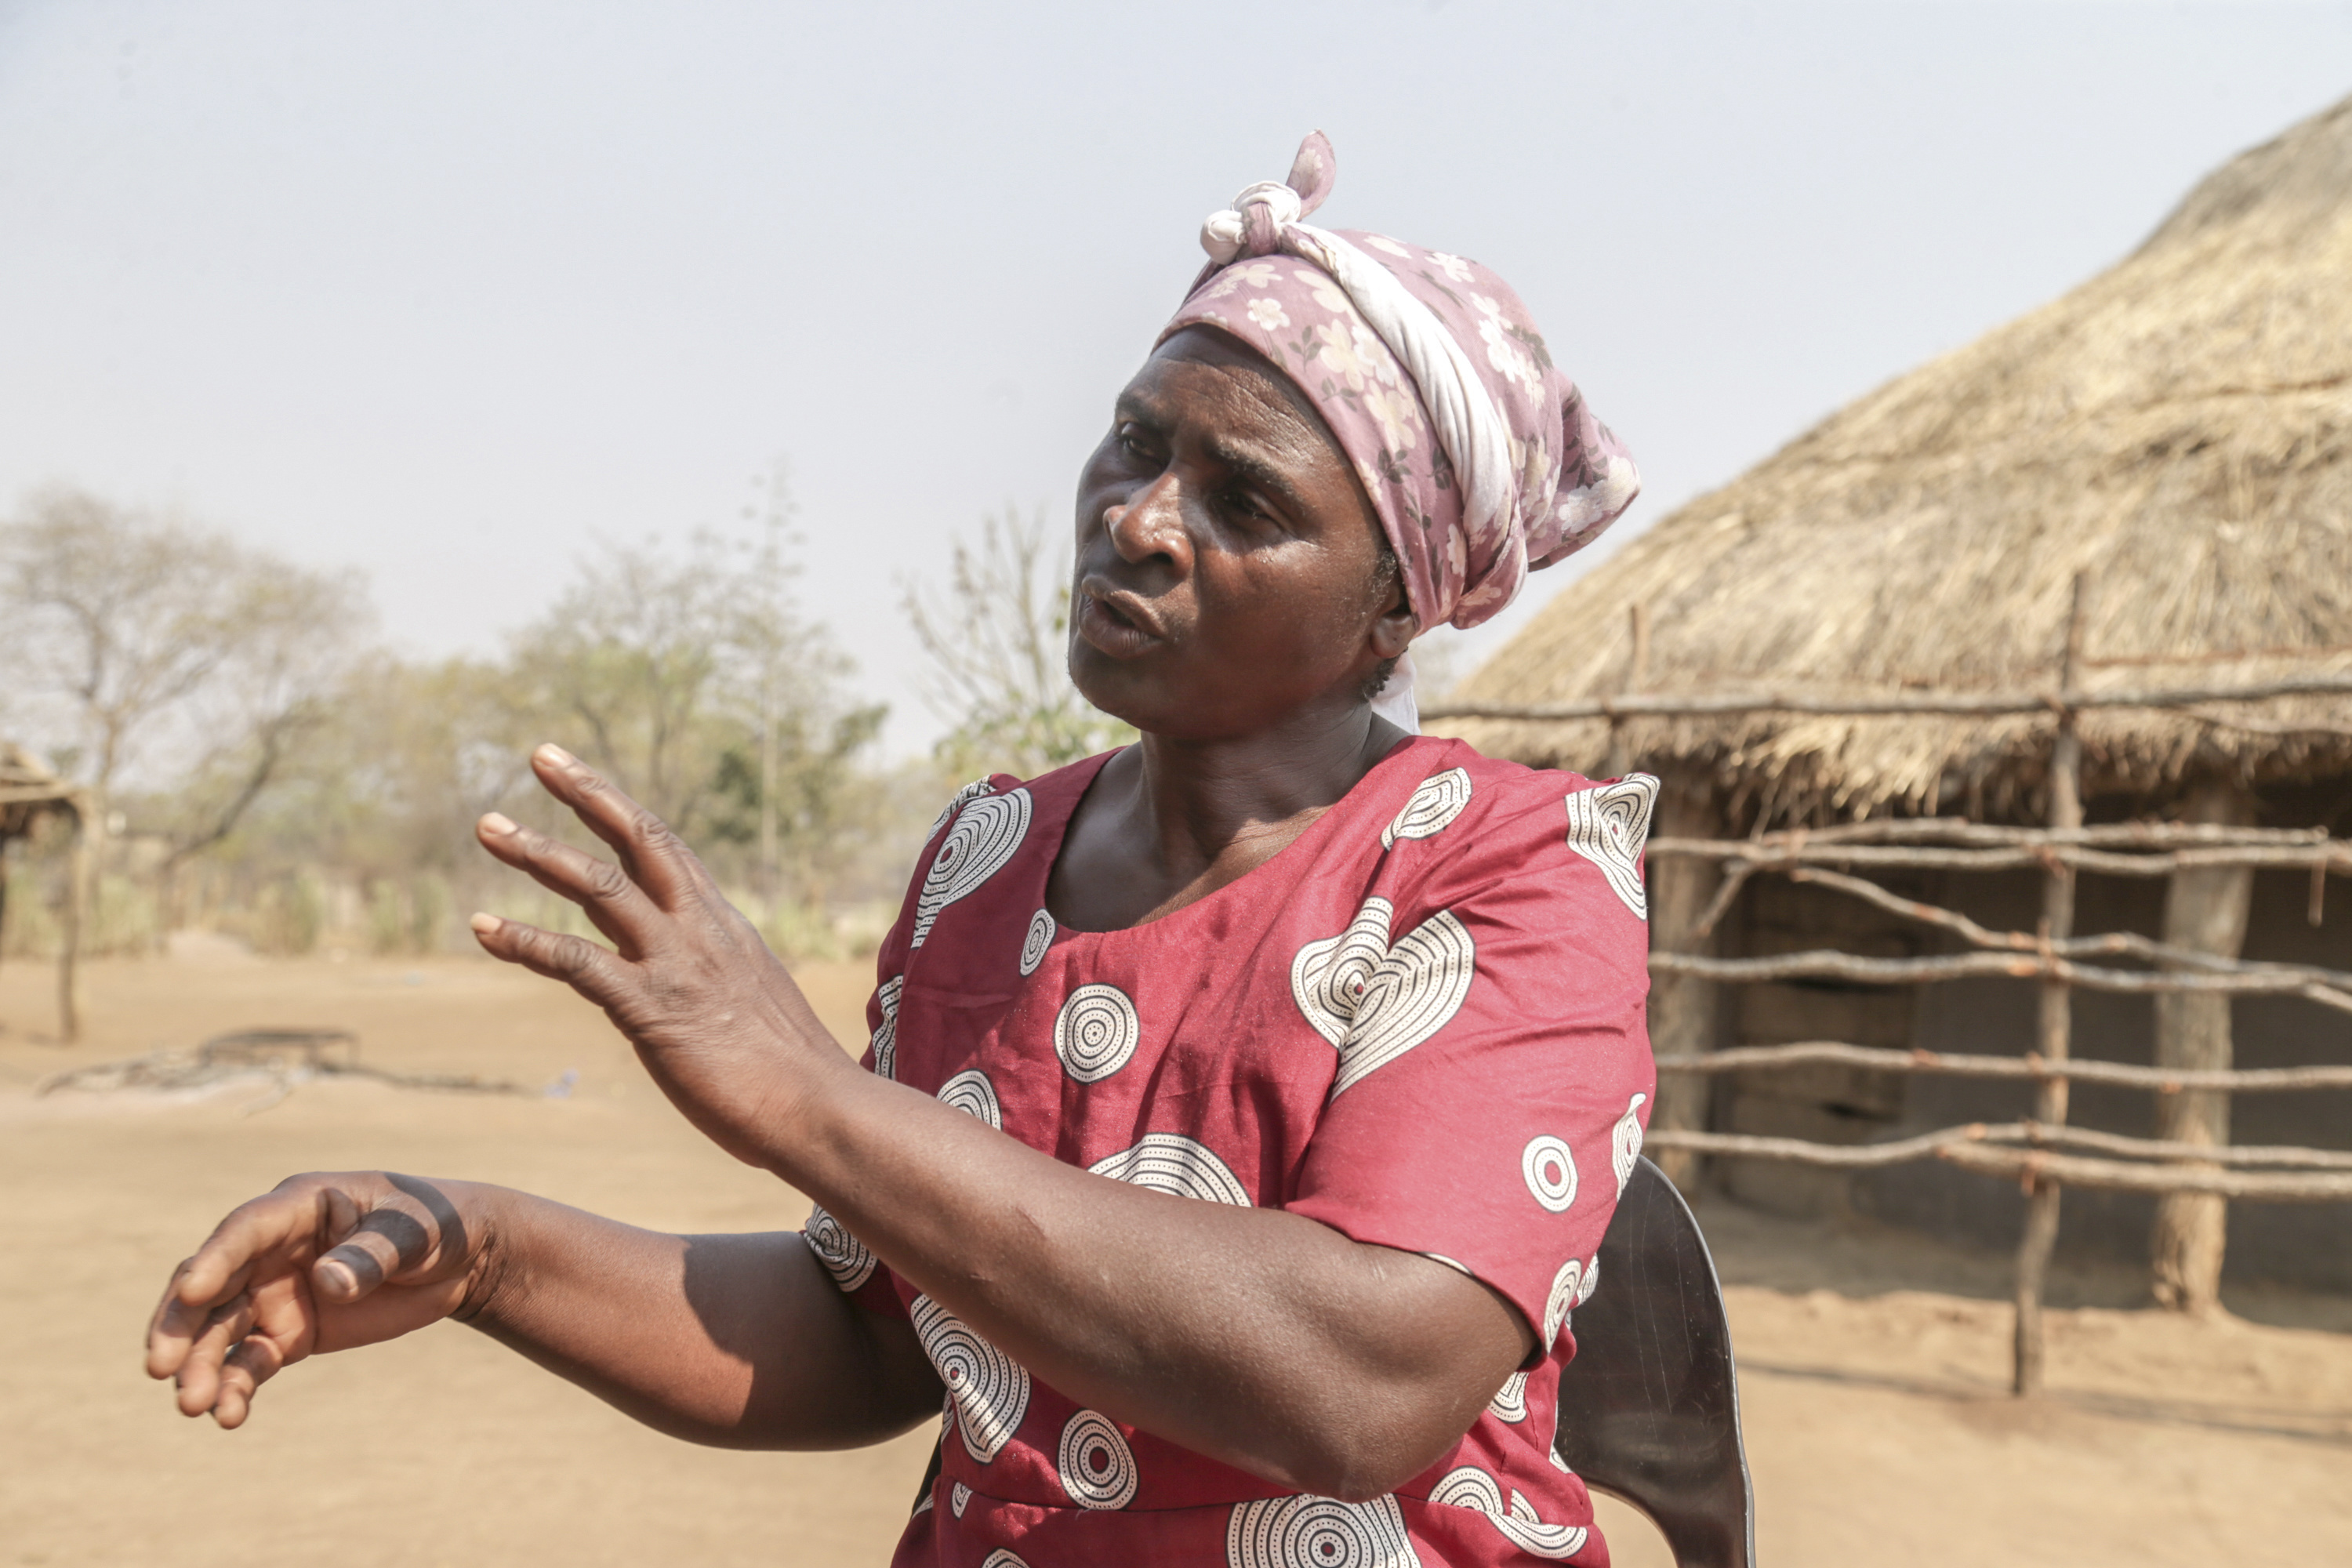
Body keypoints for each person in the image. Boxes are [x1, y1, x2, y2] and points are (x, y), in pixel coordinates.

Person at [146, 133, 1655, 1566]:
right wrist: (480, 1250)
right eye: (1135, 442)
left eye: (1242, 500)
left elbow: (1361, 1386)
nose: (1137, 519)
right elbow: (875, 1326)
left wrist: (804, 1097)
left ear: (1396, 608)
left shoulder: (1509, 870)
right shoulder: (989, 860)